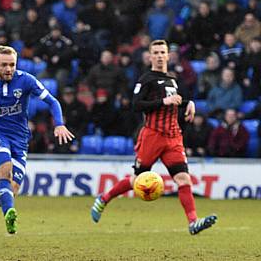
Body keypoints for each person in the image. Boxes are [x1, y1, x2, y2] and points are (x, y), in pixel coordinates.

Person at [90, 40, 217, 235]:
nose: (159, 56)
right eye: (155, 52)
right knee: (137, 178)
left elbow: (174, 100)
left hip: (173, 137)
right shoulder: (146, 79)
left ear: (167, 56)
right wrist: (164, 101)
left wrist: (187, 103)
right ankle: (104, 198)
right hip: (153, 136)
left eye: (162, 52)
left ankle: (193, 222)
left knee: (184, 179)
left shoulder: (172, 79)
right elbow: (136, 104)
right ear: (150, 56)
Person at [0, 45, 74, 244]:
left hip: (20, 140)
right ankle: (9, 212)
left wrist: (59, 124)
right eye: (4, 65)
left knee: (12, 188)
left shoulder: (26, 80)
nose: (9, 69)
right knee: (5, 169)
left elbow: (53, 102)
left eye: (12, 64)